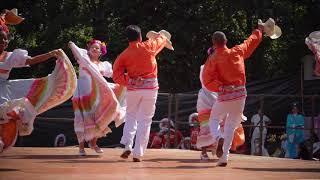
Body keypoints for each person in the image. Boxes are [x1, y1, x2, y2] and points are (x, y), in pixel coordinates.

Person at [0, 10, 77, 153]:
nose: (4, 42)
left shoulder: (11, 57)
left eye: (5, 39)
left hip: (4, 91)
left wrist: (51, 54)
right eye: (0, 39)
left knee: (7, 116)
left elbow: (31, 60)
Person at [202, 20, 265, 166]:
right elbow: (251, 41)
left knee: (213, 119)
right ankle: (224, 156)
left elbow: (207, 80)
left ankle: (218, 137)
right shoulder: (237, 51)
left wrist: (221, 87)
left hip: (225, 96)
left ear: (213, 43)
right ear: (226, 41)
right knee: (230, 125)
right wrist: (259, 30)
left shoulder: (213, 59)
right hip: (240, 95)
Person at [113, 25, 174, 162]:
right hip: (150, 89)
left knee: (130, 117)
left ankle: (127, 144)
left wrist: (130, 80)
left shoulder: (124, 55)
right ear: (140, 37)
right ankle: (137, 153)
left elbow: (116, 76)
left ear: (127, 39)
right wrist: (162, 36)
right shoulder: (149, 46)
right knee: (145, 121)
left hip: (133, 89)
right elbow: (161, 40)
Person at [69, 40, 126, 156]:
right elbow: (74, 49)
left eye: (97, 48)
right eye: (93, 47)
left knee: (100, 118)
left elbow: (114, 75)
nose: (95, 49)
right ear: (88, 49)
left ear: (101, 52)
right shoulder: (84, 59)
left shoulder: (104, 65)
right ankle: (81, 148)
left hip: (97, 97)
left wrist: (126, 77)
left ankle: (93, 143)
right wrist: (71, 44)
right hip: (83, 94)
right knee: (82, 119)